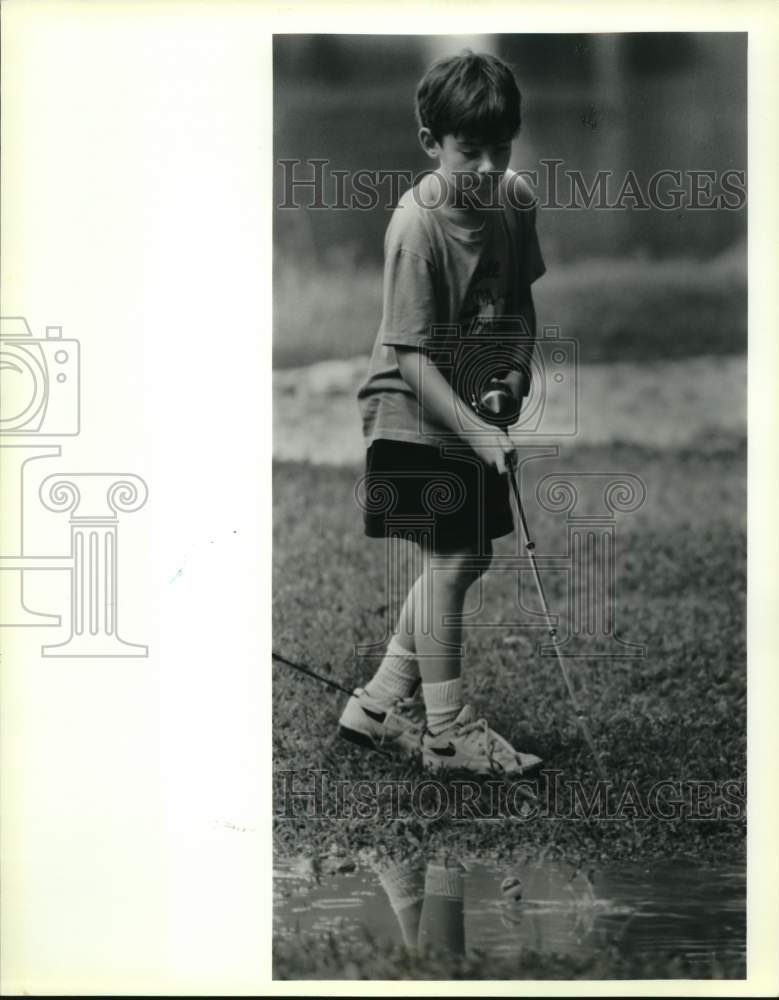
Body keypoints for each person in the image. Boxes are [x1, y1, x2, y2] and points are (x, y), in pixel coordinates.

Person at [339, 50, 545, 776]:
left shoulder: (513, 202)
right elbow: (410, 358)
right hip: (408, 409)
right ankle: (447, 731)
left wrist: (508, 381)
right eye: (470, 152)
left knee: (468, 556)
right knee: (454, 557)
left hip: (464, 408)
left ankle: (375, 705)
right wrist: (477, 432)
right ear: (431, 142)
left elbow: (517, 309)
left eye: (501, 149)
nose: (488, 168)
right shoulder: (415, 228)